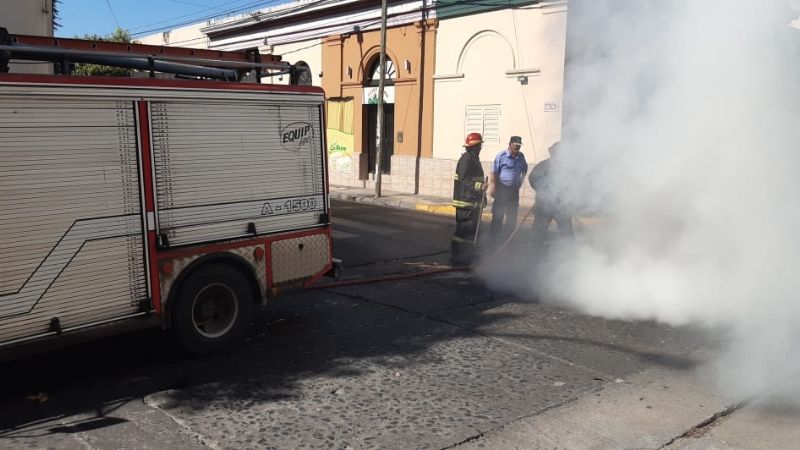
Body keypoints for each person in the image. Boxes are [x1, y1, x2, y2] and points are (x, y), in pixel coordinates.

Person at [451, 132, 487, 265]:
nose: (480, 148)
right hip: (465, 202)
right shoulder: (466, 159)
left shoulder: (473, 158)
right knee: (464, 231)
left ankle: (468, 254)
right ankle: (458, 256)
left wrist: (482, 198)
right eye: (479, 146)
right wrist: (480, 186)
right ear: (474, 146)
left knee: (471, 230)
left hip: (472, 202)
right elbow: (464, 179)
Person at [529, 141, 574, 243]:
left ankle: (570, 250)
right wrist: (541, 189)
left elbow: (572, 184)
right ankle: (533, 251)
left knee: (567, 233)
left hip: (562, 206)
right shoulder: (542, 166)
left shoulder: (567, 168)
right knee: (538, 232)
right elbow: (532, 179)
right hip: (544, 205)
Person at [488, 136, 528, 243]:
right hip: (502, 189)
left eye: (519, 146)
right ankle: (493, 240)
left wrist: (520, 181)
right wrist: (494, 187)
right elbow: (494, 172)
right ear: (510, 144)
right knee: (498, 216)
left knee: (512, 217)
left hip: (514, 191)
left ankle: (507, 241)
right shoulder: (501, 156)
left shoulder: (521, 157)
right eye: (515, 145)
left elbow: (525, 169)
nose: (517, 147)